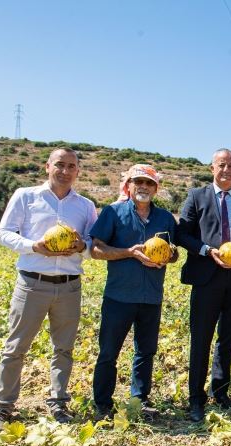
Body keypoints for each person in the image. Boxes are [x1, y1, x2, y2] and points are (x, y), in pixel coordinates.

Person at [0, 148, 97, 432]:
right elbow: (3, 233)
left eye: (71, 166)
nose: (65, 170)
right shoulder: (26, 196)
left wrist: (82, 247)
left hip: (69, 286)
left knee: (63, 349)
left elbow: (91, 243)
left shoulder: (85, 205)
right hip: (32, 283)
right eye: (59, 165)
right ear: (47, 166)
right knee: (16, 348)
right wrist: (32, 246)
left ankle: (58, 402)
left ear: (78, 171)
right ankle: (2, 408)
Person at [176, 148, 231, 422]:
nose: (226, 170)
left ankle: (221, 391)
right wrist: (205, 250)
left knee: (228, 337)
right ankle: (196, 399)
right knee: (201, 338)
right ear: (212, 168)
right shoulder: (196, 197)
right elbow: (181, 234)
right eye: (221, 165)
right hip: (206, 276)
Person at [89, 164, 178, 420]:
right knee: (109, 351)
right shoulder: (113, 213)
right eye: (138, 182)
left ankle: (139, 399)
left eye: (149, 183)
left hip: (151, 296)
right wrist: (129, 252)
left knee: (146, 351)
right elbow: (96, 250)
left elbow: (174, 253)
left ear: (156, 189)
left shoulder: (164, 219)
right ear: (128, 185)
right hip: (119, 296)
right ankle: (103, 403)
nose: (144, 187)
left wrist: (167, 257)